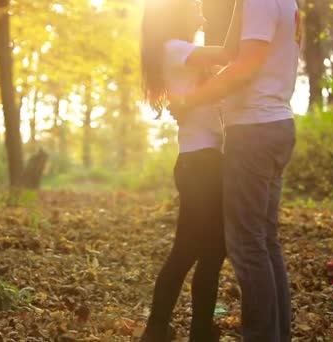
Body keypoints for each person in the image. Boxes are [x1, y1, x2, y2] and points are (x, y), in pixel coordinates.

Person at [169, 0, 300, 341]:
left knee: (246, 245)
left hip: (254, 131)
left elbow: (246, 66)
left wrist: (193, 99)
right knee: (265, 241)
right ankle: (277, 335)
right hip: (276, 124)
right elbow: (232, 52)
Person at [139, 0, 236, 341]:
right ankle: (157, 329)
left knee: (210, 249)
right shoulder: (177, 49)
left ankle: (197, 331)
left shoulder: (181, 50)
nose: (202, 9)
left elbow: (223, 73)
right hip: (199, 164)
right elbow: (228, 55)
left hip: (205, 161)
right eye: (194, 4)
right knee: (189, 250)